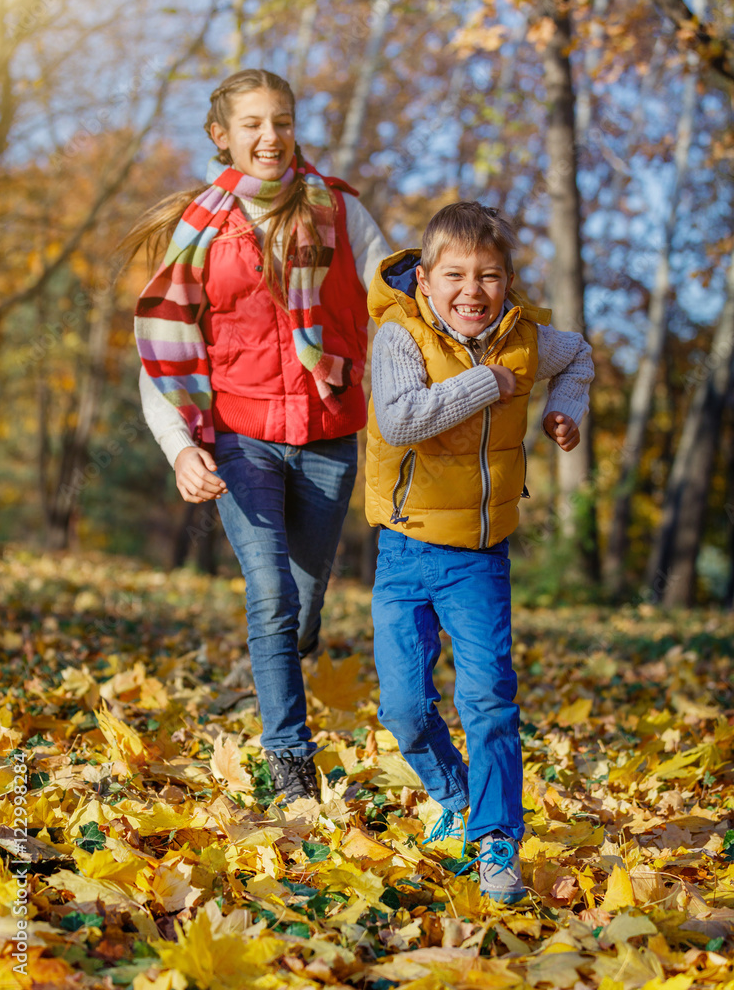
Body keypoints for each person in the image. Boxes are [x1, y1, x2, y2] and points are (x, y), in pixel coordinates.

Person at [129, 69, 391, 804]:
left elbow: (395, 298)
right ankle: (290, 763)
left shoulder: (339, 211)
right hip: (240, 438)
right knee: (269, 596)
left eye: (281, 121)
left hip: (330, 435)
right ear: (223, 136)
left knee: (303, 605)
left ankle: (283, 656)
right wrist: (182, 447)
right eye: (252, 124)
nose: (269, 136)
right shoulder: (200, 233)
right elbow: (163, 349)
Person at [364, 201, 594, 901]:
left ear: (509, 280)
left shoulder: (525, 339)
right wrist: (483, 383)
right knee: (403, 706)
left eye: (490, 276)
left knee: (489, 697)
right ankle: (454, 794)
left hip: (480, 555)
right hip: (404, 549)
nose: (474, 290)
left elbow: (579, 351)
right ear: (425, 280)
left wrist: (566, 410)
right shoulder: (398, 335)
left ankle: (497, 836)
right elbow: (400, 420)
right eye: (456, 275)